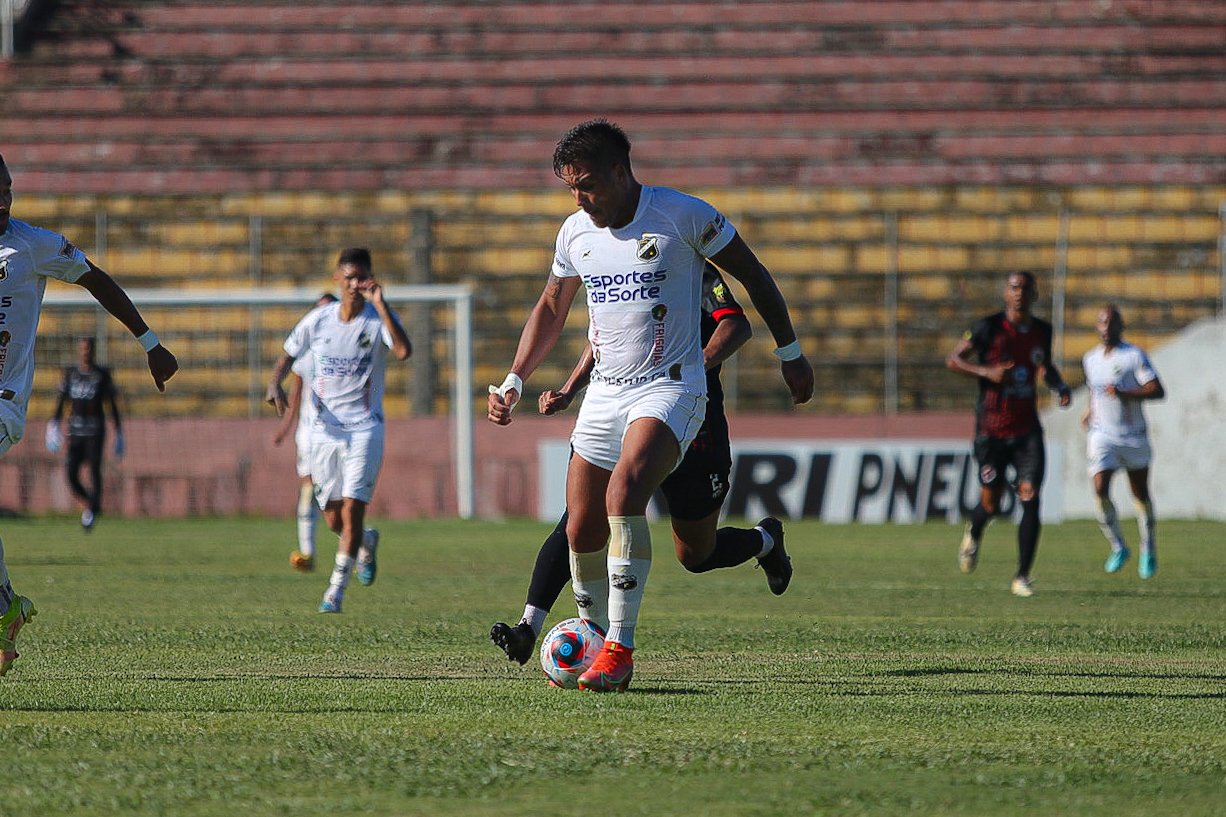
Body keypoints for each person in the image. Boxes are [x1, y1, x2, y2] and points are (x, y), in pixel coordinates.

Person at [487, 119, 814, 691]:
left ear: (621, 172)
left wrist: (790, 351)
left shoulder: (681, 215)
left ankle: (620, 650)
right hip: (605, 393)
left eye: (587, 184)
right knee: (582, 525)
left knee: (624, 493)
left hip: (672, 388)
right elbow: (551, 307)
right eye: (570, 187)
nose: (579, 198)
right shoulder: (574, 234)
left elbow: (753, 276)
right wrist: (517, 378)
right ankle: (592, 635)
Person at [491, 263, 793, 668]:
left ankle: (765, 540)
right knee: (580, 521)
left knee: (696, 555)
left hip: (692, 421)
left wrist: (692, 365)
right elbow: (605, 343)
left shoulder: (691, 267)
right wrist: (568, 390)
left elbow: (735, 325)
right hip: (625, 414)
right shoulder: (622, 271)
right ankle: (531, 627)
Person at [0, 152, 179, 676]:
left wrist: (150, 343)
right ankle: (4, 606)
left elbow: (94, 278)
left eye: (8, 188)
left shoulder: (33, 246)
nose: (4, 198)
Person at [266, 248, 410, 613]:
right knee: (333, 516)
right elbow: (287, 353)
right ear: (337, 278)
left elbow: (405, 351)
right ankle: (366, 544)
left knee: (353, 510)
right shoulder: (319, 320)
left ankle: (335, 591)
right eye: (348, 278)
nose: (354, 285)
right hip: (323, 433)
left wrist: (382, 304)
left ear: (370, 280)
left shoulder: (378, 321)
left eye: (361, 278)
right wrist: (274, 384)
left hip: (364, 430)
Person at [946, 270, 1071, 597]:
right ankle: (974, 531)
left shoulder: (1042, 330)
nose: (1019, 293)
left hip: (1027, 429)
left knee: (1030, 496)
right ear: (1006, 293)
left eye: (1025, 288)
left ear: (1034, 294)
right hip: (992, 430)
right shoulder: (987, 327)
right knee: (991, 502)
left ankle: (1021, 576)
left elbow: (1045, 365)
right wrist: (985, 371)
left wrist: (1058, 385)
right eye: (1014, 287)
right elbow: (954, 360)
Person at [1080, 304, 1165, 579]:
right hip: (1102, 435)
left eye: (1112, 323)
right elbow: (1095, 392)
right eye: (1102, 323)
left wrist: (1126, 392)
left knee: (1139, 493)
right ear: (1097, 326)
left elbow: (1157, 389)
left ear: (1120, 327)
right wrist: (1089, 411)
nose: (1106, 328)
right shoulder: (1090, 359)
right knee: (1100, 487)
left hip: (1133, 436)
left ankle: (1148, 547)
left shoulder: (1134, 356)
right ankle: (1118, 546)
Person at [272, 292, 339, 572]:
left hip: (339, 434)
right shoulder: (306, 353)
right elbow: (297, 396)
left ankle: (359, 545)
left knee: (332, 500)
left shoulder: (343, 349)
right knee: (309, 489)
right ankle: (307, 552)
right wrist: (285, 428)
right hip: (309, 434)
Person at [45, 337, 124, 531]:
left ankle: (90, 512)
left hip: (95, 431)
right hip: (75, 431)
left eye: (88, 348)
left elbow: (111, 405)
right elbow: (62, 401)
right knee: (71, 474)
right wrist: (53, 424)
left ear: (93, 350)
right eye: (82, 348)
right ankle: (92, 503)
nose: (85, 352)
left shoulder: (101, 375)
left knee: (95, 471)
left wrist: (119, 432)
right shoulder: (71, 374)